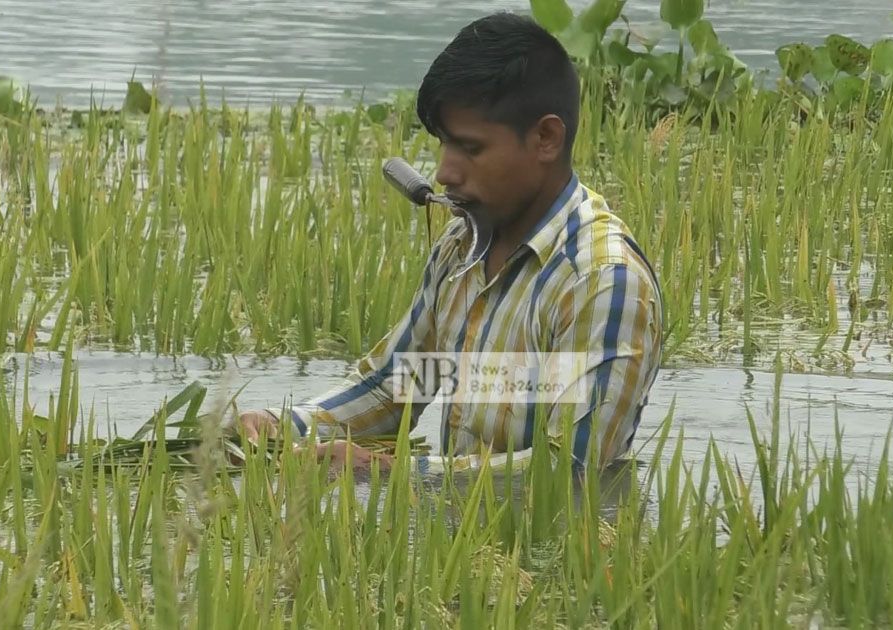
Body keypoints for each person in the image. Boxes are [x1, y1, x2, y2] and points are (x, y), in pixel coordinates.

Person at [236, 11, 663, 474]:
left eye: (471, 148)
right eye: (443, 144)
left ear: (546, 138)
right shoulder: (463, 244)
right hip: (454, 525)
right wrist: (285, 424)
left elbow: (567, 469)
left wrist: (388, 475)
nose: (444, 173)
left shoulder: (601, 281)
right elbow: (393, 388)